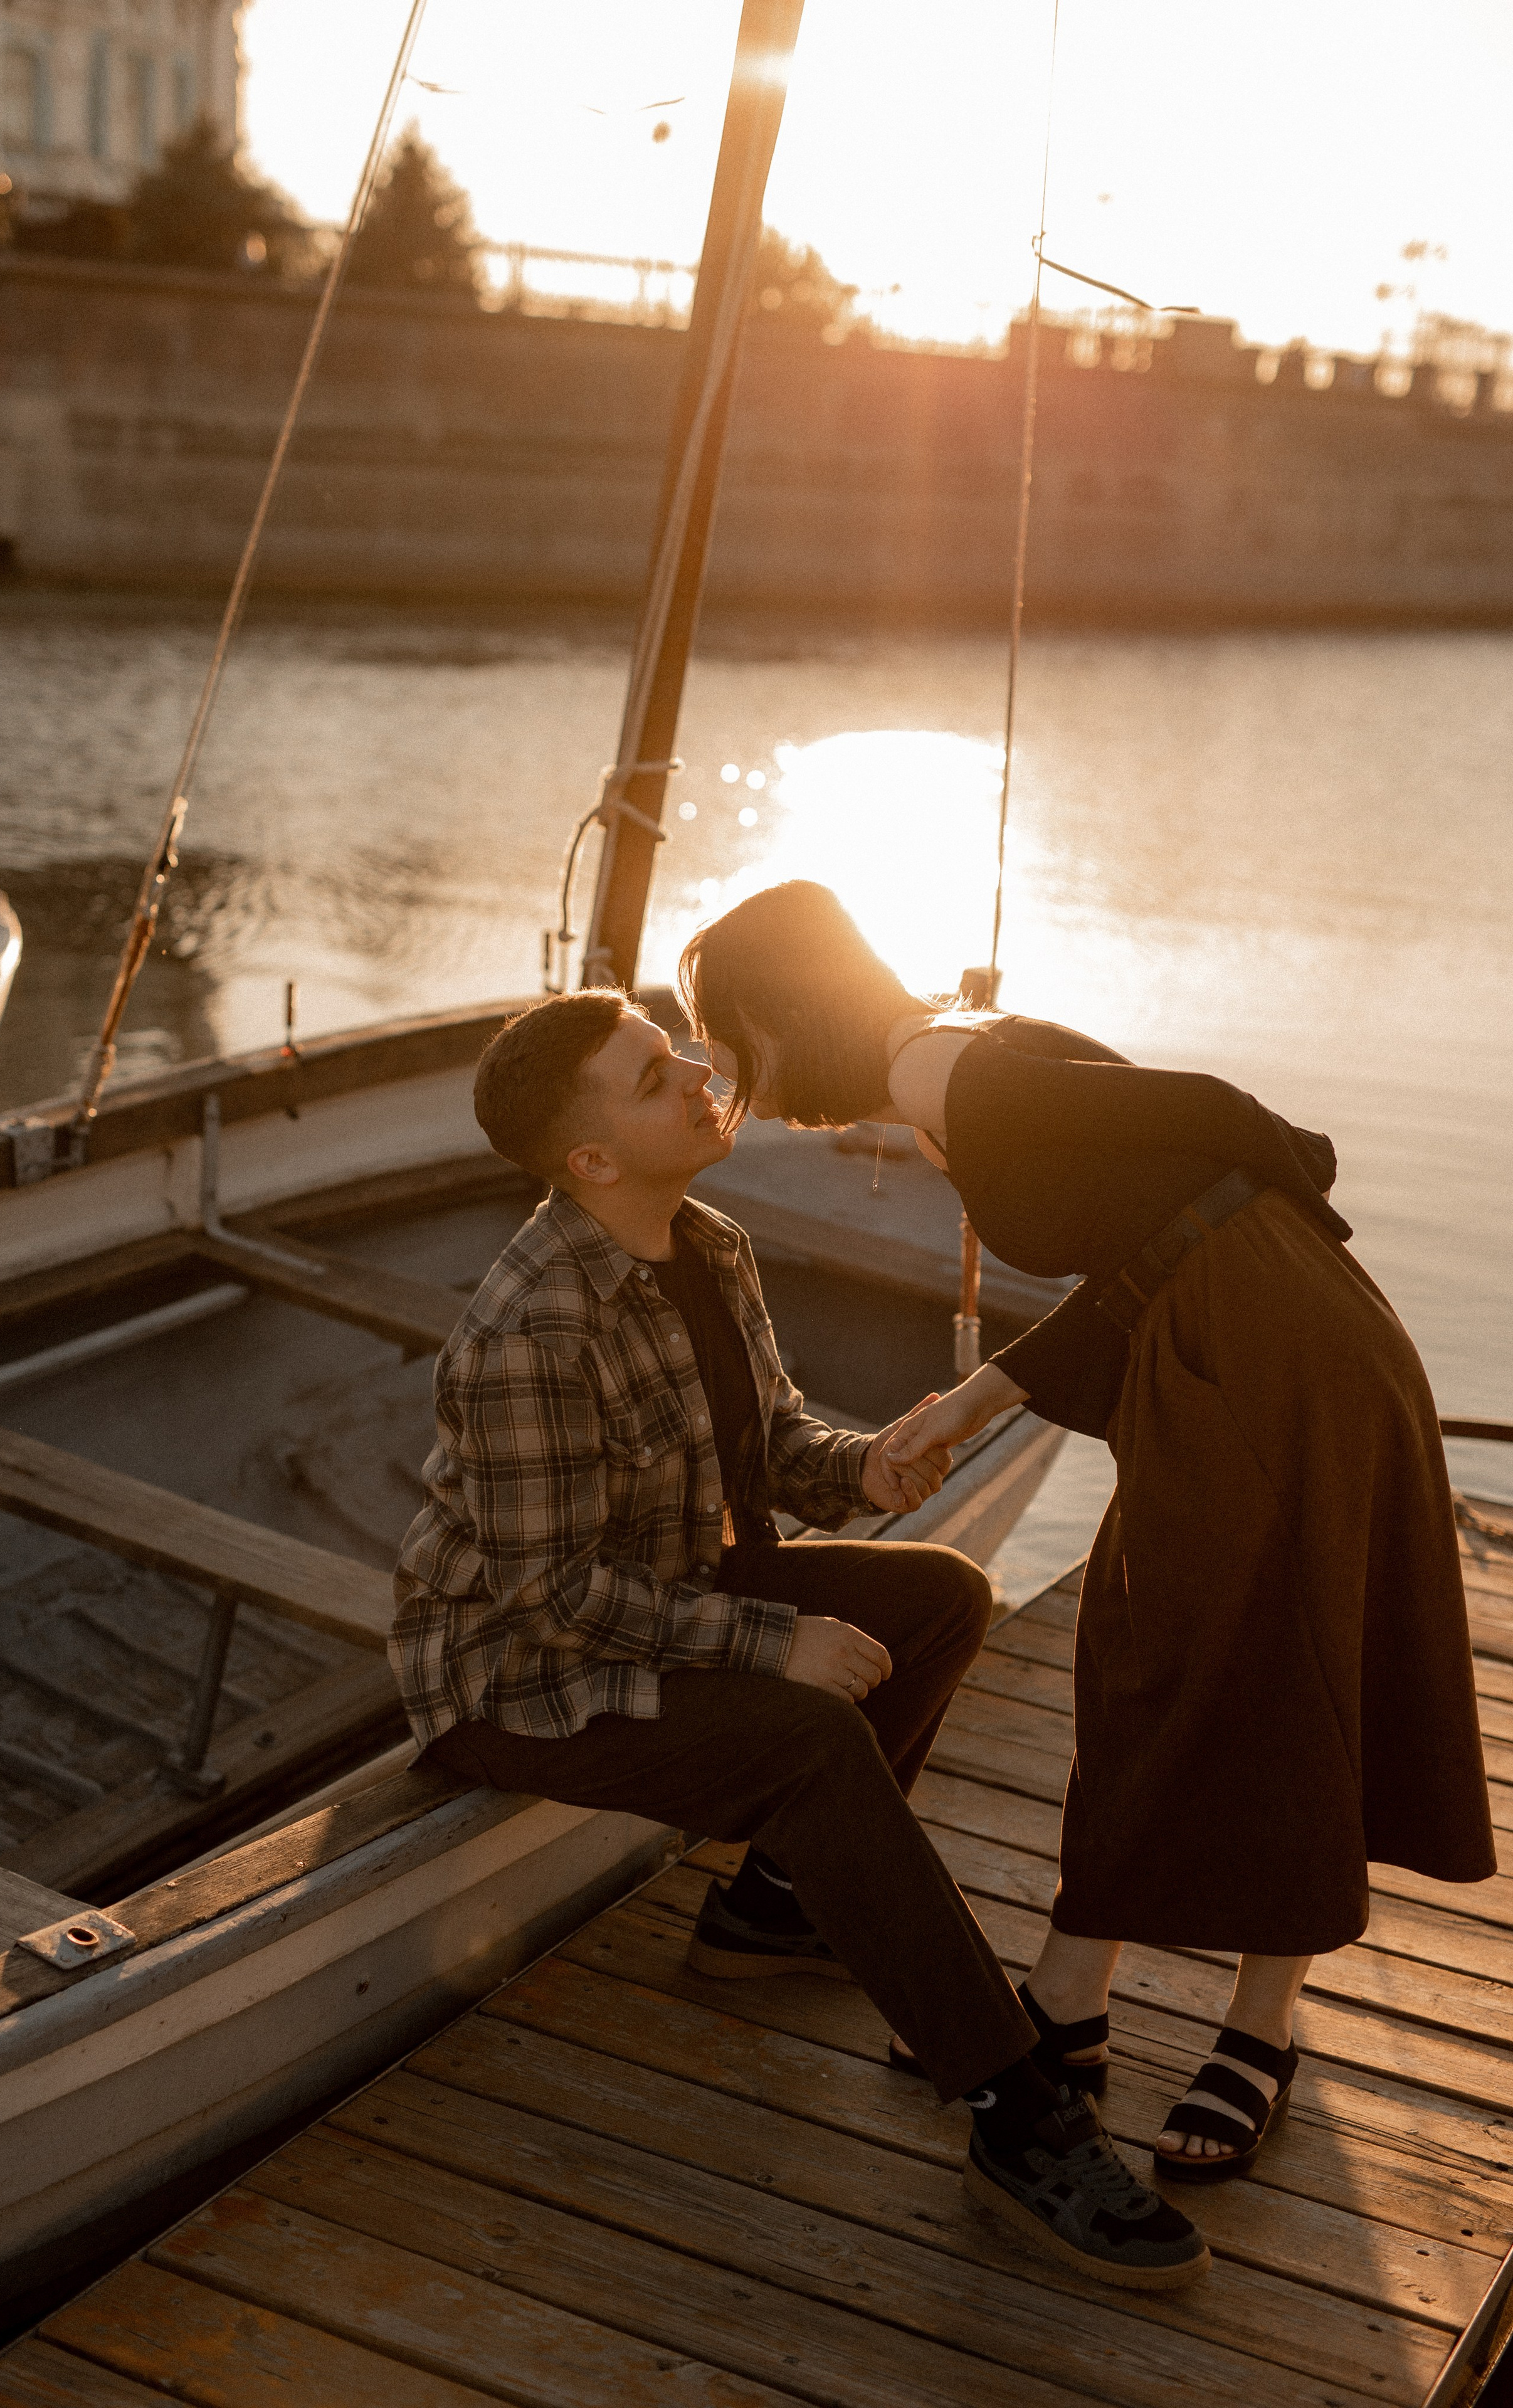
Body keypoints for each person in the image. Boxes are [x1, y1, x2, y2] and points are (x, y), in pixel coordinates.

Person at [391, 986, 1210, 2288]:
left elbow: (764, 1444)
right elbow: (547, 1594)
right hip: (524, 1675)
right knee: (811, 1737)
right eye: (654, 1077)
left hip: (669, 1581)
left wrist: (864, 1464)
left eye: (678, 1053)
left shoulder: (704, 1242)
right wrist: (768, 1645)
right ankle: (1013, 2113)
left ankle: (775, 1907)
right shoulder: (527, 1323)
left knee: (941, 1595)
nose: (698, 1072)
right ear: (590, 1160)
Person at [680, 879, 1495, 2185]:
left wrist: (1301, 1186)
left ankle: (1257, 2028)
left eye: (728, 1038)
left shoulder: (952, 1077)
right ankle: (1069, 2000)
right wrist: (973, 1400)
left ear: (782, 1007)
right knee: (1163, 1666)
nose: (732, 1074)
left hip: (1270, 1354)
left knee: (1238, 1669)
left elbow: (1222, 1126)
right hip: (1239, 1339)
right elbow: (1152, 1248)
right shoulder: (952, 1066)